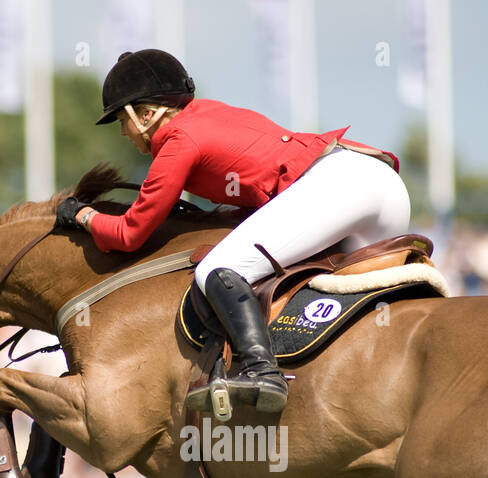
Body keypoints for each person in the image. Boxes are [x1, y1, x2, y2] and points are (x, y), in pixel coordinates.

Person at [56, 49, 411, 414]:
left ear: (147, 114)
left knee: (216, 269)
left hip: (341, 188)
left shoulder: (178, 139)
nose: (123, 132)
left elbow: (130, 233)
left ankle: (261, 371)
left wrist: (82, 215)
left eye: (122, 120)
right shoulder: (209, 113)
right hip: (382, 190)